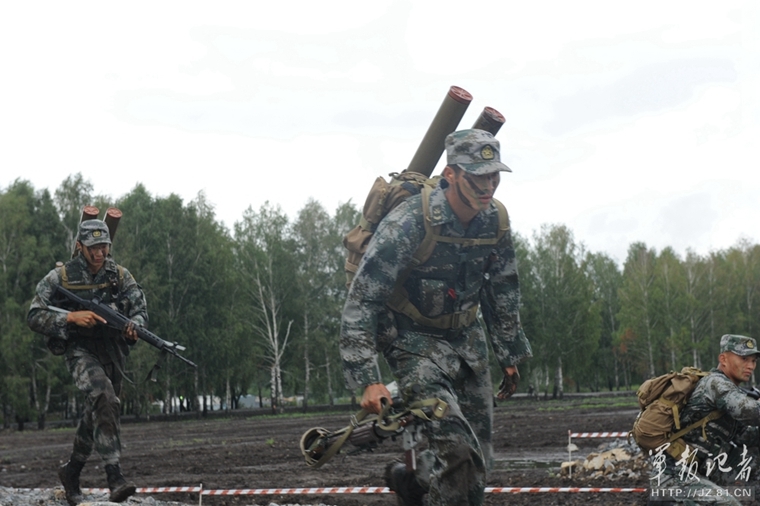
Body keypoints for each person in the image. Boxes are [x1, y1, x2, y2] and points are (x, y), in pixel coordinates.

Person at [340, 129, 532, 506]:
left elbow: (502, 289)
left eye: (493, 175)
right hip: (413, 346)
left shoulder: (495, 221)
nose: (487, 185)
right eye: (477, 176)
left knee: (477, 461)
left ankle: (411, 482)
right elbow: (363, 300)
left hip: (467, 345)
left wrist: (509, 353)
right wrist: (366, 379)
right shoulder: (408, 224)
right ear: (451, 175)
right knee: (460, 454)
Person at [27, 219, 147, 505]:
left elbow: (140, 309)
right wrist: (69, 317)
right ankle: (115, 477)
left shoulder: (119, 275)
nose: (99, 253)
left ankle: (72, 472)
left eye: (103, 246)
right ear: (80, 246)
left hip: (112, 351)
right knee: (105, 399)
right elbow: (34, 315)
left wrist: (135, 326)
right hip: (79, 349)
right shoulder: (61, 277)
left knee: (97, 411)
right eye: (93, 247)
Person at [650, 334, 760, 505]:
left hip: (702, 472)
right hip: (674, 476)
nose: (751, 366)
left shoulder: (730, 393)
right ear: (723, 359)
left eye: (754, 361)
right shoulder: (715, 384)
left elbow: (745, 437)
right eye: (744, 358)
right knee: (729, 504)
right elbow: (749, 411)